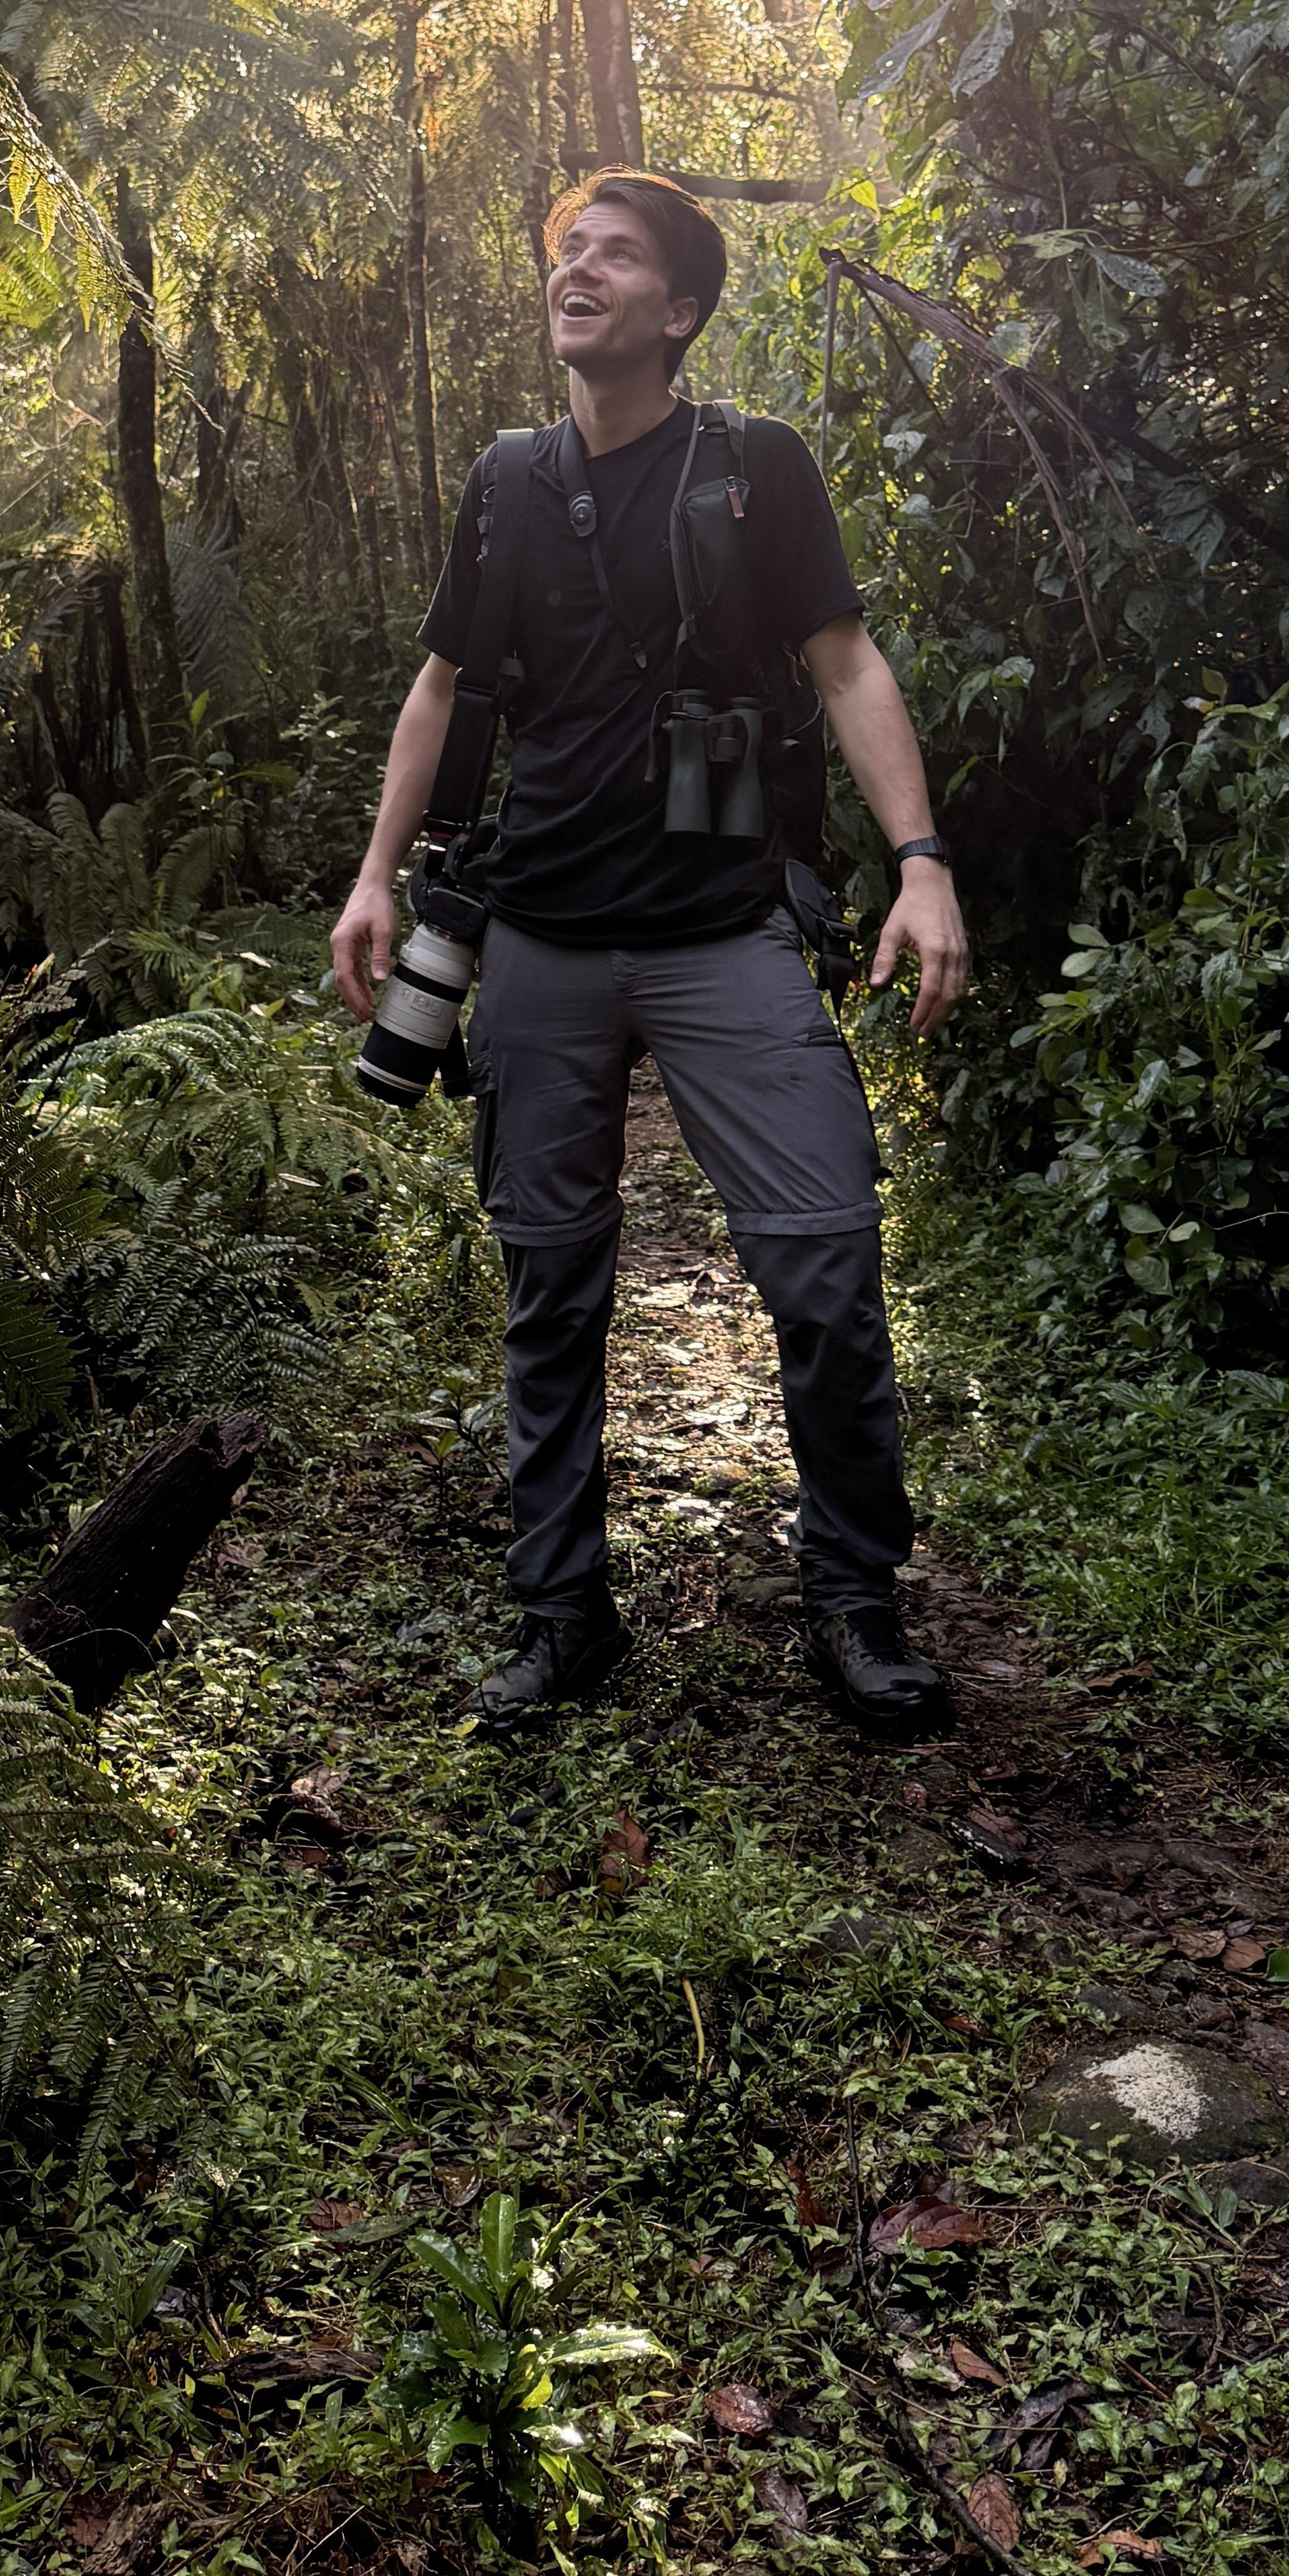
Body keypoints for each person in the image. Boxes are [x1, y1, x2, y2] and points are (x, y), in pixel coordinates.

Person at [331, 170, 970, 1742]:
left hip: (721, 931)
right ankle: (564, 1615)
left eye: (617, 255)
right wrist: (371, 879)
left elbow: (845, 661)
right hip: (538, 936)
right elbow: (438, 690)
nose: (580, 268)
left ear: (677, 310)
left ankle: (853, 1594)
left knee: (823, 1254)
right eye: (569, 249)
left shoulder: (755, 470)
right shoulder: (503, 482)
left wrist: (921, 861)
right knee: (548, 1287)